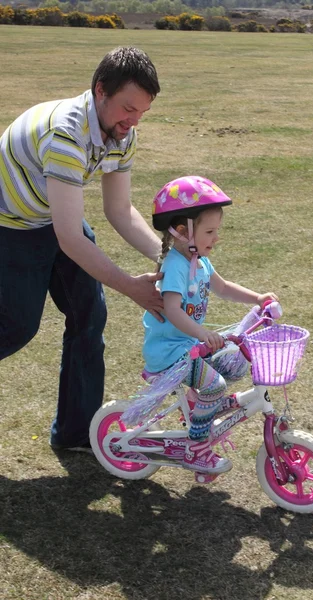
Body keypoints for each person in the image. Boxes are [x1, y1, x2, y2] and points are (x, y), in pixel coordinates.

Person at [0, 47, 164, 452]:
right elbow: (71, 239)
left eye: (142, 112)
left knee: (90, 312)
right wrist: (133, 287)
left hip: (51, 218)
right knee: (17, 327)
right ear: (99, 91)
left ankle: (77, 434)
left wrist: (167, 255)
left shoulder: (121, 134)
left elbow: (120, 210)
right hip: (11, 225)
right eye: (128, 108)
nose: (133, 120)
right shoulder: (66, 133)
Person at [143, 175, 278, 474]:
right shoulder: (176, 266)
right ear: (182, 232)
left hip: (188, 346)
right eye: (210, 231)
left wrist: (257, 298)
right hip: (171, 353)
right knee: (214, 386)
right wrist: (202, 332)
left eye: (217, 230)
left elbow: (223, 287)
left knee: (231, 364)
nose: (216, 237)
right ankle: (196, 450)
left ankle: (203, 412)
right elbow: (173, 310)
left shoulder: (200, 261)